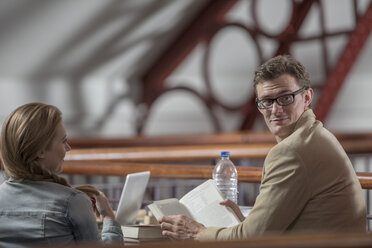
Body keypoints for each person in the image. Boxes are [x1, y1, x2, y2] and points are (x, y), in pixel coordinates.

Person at [159, 55, 367, 240]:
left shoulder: (292, 151)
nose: (276, 109)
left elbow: (251, 239)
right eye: (267, 101)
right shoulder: (315, 135)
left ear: (307, 97)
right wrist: (243, 220)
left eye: (285, 98)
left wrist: (197, 232)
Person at [0, 103, 123, 246]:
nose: (68, 148)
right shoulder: (73, 201)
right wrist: (109, 218)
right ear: (40, 150)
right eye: (63, 141)